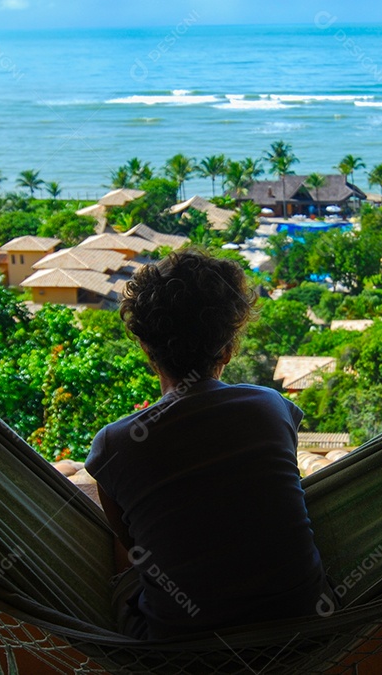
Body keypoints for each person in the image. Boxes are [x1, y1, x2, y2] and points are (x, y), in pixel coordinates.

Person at [84, 249, 328, 640]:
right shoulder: (271, 407)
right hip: (303, 633)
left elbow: (133, 553)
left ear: (147, 348)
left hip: (177, 653)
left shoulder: (114, 445)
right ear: (229, 348)